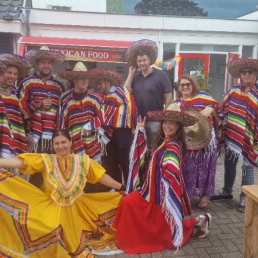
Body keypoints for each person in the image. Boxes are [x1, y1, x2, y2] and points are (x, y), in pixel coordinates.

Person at [0, 128, 125, 257]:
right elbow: (21, 162)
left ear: (71, 142)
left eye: (63, 142)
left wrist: (121, 186)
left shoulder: (83, 160)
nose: (60, 146)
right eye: (56, 143)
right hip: (52, 208)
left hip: (79, 210)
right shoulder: (47, 160)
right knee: (44, 229)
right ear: (53, 145)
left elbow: (101, 177)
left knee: (119, 202)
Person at [113, 104, 212, 254]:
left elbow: (171, 167)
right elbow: (147, 158)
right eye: (165, 122)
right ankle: (137, 235)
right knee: (128, 202)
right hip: (149, 191)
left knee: (168, 236)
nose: (167, 125)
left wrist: (167, 174)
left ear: (179, 127)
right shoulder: (162, 141)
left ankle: (200, 219)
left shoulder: (173, 146)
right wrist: (140, 131)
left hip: (161, 196)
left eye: (172, 123)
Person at [210, 58, 258, 212]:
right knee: (229, 163)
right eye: (244, 72)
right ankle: (227, 191)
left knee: (247, 167)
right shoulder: (234, 90)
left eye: (251, 72)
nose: (247, 74)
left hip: (249, 137)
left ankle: (246, 199)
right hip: (231, 134)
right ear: (240, 75)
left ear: (256, 74)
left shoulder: (256, 93)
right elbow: (223, 109)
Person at [83, 68, 137, 184]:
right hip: (110, 132)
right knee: (111, 161)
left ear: (107, 81)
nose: (98, 86)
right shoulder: (104, 98)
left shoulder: (119, 91)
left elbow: (105, 113)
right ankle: (117, 187)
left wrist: (90, 125)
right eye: (97, 84)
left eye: (100, 83)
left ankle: (129, 189)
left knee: (125, 162)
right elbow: (106, 114)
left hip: (123, 132)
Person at [174, 74, 221, 208]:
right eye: (182, 85)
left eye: (188, 84)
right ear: (178, 87)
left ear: (193, 85)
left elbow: (217, 106)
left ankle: (204, 196)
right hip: (188, 139)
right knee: (187, 167)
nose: (185, 87)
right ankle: (186, 194)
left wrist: (211, 108)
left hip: (206, 139)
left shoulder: (203, 97)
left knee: (207, 166)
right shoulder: (176, 103)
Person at [124, 39, 173, 147]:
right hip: (138, 121)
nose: (142, 63)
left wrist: (166, 119)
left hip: (155, 121)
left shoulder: (160, 75)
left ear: (149, 60)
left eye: (144, 60)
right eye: (139, 61)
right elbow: (126, 91)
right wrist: (131, 74)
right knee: (139, 151)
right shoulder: (136, 77)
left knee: (154, 149)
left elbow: (169, 98)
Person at [58, 62, 104, 163]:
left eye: (86, 77)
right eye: (81, 77)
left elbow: (103, 119)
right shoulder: (65, 99)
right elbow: (62, 125)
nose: (85, 80)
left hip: (93, 147)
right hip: (73, 148)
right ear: (74, 79)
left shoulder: (95, 98)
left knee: (93, 177)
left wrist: (92, 126)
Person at [0, 53, 31, 160]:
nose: (12, 76)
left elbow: (23, 113)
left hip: (15, 135)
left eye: (15, 74)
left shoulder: (15, 92)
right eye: (9, 72)